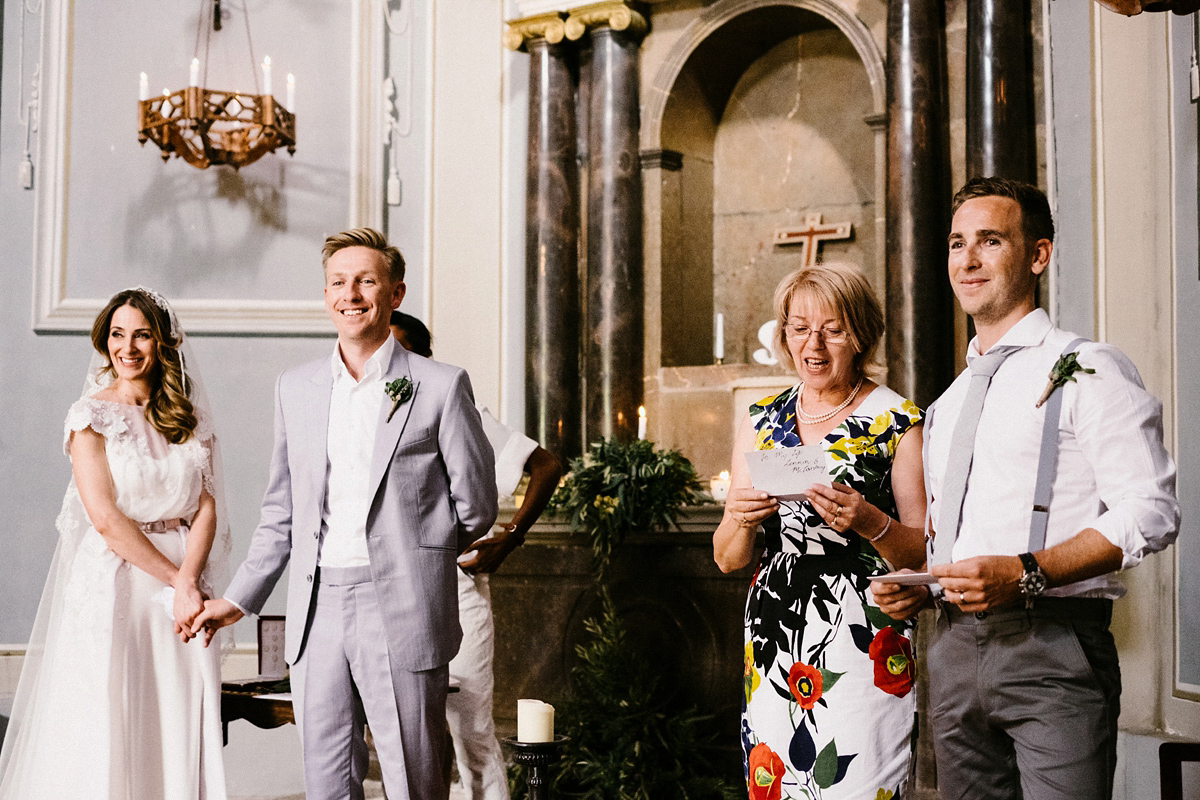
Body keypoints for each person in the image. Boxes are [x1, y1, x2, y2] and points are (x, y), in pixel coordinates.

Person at [872, 177, 1180, 800]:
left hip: (1054, 644)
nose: (968, 259)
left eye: (990, 241)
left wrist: (1026, 571)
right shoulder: (949, 403)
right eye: (958, 244)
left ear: (1038, 255)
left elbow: (1152, 511)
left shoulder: (1089, 366)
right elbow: (955, 537)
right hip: (952, 650)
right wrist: (923, 588)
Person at [192, 229, 498, 800]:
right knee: (327, 782)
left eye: (366, 280)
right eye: (338, 281)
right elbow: (280, 512)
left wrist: (419, 553)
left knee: (414, 778)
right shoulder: (296, 387)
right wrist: (235, 602)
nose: (350, 293)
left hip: (404, 606)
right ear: (326, 293)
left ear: (395, 292)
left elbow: (477, 506)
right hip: (316, 611)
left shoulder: (440, 385)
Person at [0, 288, 230, 799]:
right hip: (120, 581)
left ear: (163, 342)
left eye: (142, 334)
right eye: (118, 334)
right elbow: (104, 518)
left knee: (178, 709)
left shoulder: (189, 414)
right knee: (115, 713)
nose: (128, 347)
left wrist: (190, 582)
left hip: (186, 582)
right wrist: (177, 582)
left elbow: (208, 506)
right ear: (105, 341)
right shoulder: (90, 417)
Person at [712, 263, 927, 799]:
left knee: (856, 782)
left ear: (860, 334)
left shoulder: (896, 421)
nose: (814, 345)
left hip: (864, 633)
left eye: (832, 329)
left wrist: (869, 521)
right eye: (799, 328)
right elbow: (726, 558)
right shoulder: (762, 421)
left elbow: (925, 552)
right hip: (774, 632)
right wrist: (740, 518)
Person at [390, 310, 562, 800]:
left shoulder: (456, 404)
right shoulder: (360, 414)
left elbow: (548, 465)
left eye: (401, 351)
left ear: (424, 358)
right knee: (403, 734)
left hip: (457, 587)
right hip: (388, 589)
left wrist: (512, 536)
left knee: (470, 727)